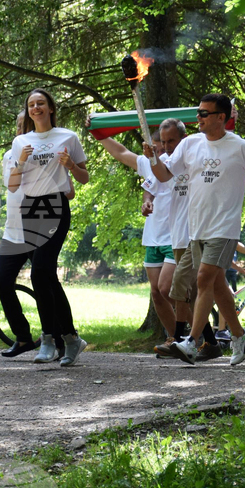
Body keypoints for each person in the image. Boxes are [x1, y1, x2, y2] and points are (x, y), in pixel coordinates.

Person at [147, 92, 245, 366]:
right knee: (216, 286)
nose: (199, 118)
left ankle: (193, 342)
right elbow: (165, 176)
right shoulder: (190, 144)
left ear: (221, 117)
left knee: (203, 279)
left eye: (205, 113)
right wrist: (153, 159)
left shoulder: (240, 146)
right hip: (197, 228)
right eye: (198, 113)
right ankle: (240, 336)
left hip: (224, 227)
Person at [4, 88, 89, 366]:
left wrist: (71, 165)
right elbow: (12, 184)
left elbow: (84, 177)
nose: (36, 108)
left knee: (41, 271)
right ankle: (71, 339)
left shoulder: (68, 137)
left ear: (51, 108)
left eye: (41, 103)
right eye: (31, 104)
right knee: (46, 276)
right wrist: (21, 162)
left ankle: (49, 339)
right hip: (30, 208)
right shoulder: (21, 142)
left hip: (55, 205)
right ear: (28, 110)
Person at [92, 124, 179, 352]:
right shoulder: (146, 164)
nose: (159, 147)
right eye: (155, 144)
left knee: (167, 288)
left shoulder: (180, 161)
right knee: (156, 292)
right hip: (153, 238)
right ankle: (175, 339)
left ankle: (198, 331)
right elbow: (120, 152)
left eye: (163, 143)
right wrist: (98, 132)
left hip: (176, 236)